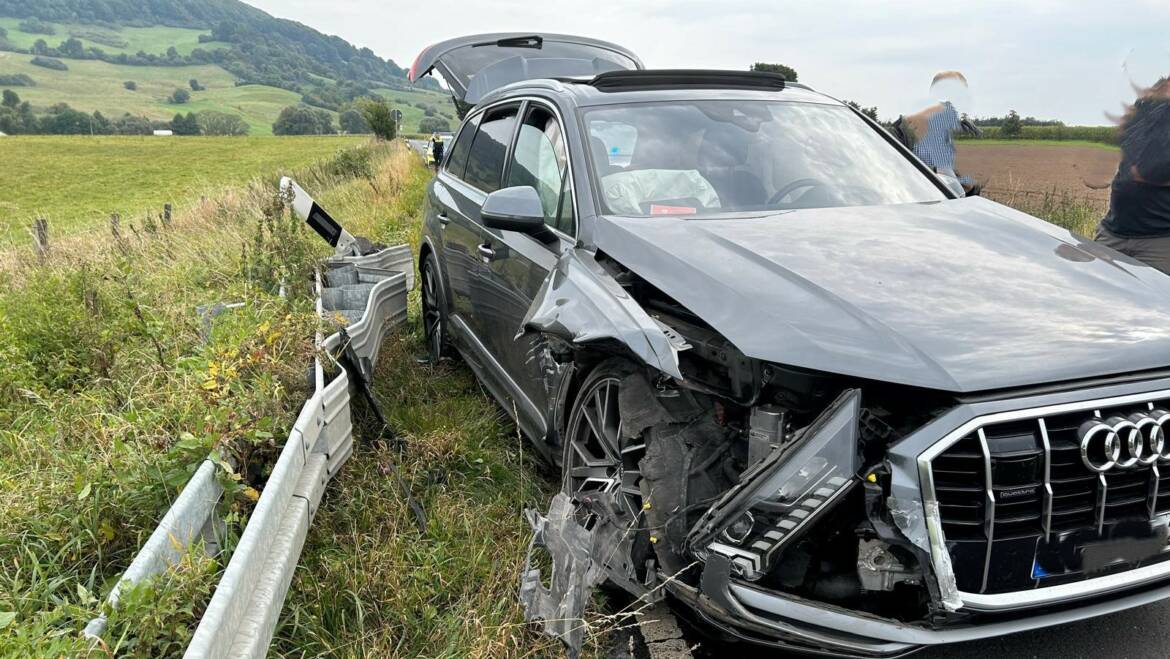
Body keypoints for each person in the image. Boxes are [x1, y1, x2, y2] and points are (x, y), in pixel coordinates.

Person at [1094, 77, 1170, 273]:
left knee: (1153, 301)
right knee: (1097, 293)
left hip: (1159, 243)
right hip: (1112, 232)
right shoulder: (1141, 124)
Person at [892, 71, 982, 194]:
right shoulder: (902, 132)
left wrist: (971, 188)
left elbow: (967, 189)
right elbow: (890, 174)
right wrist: (934, 174)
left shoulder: (958, 136)